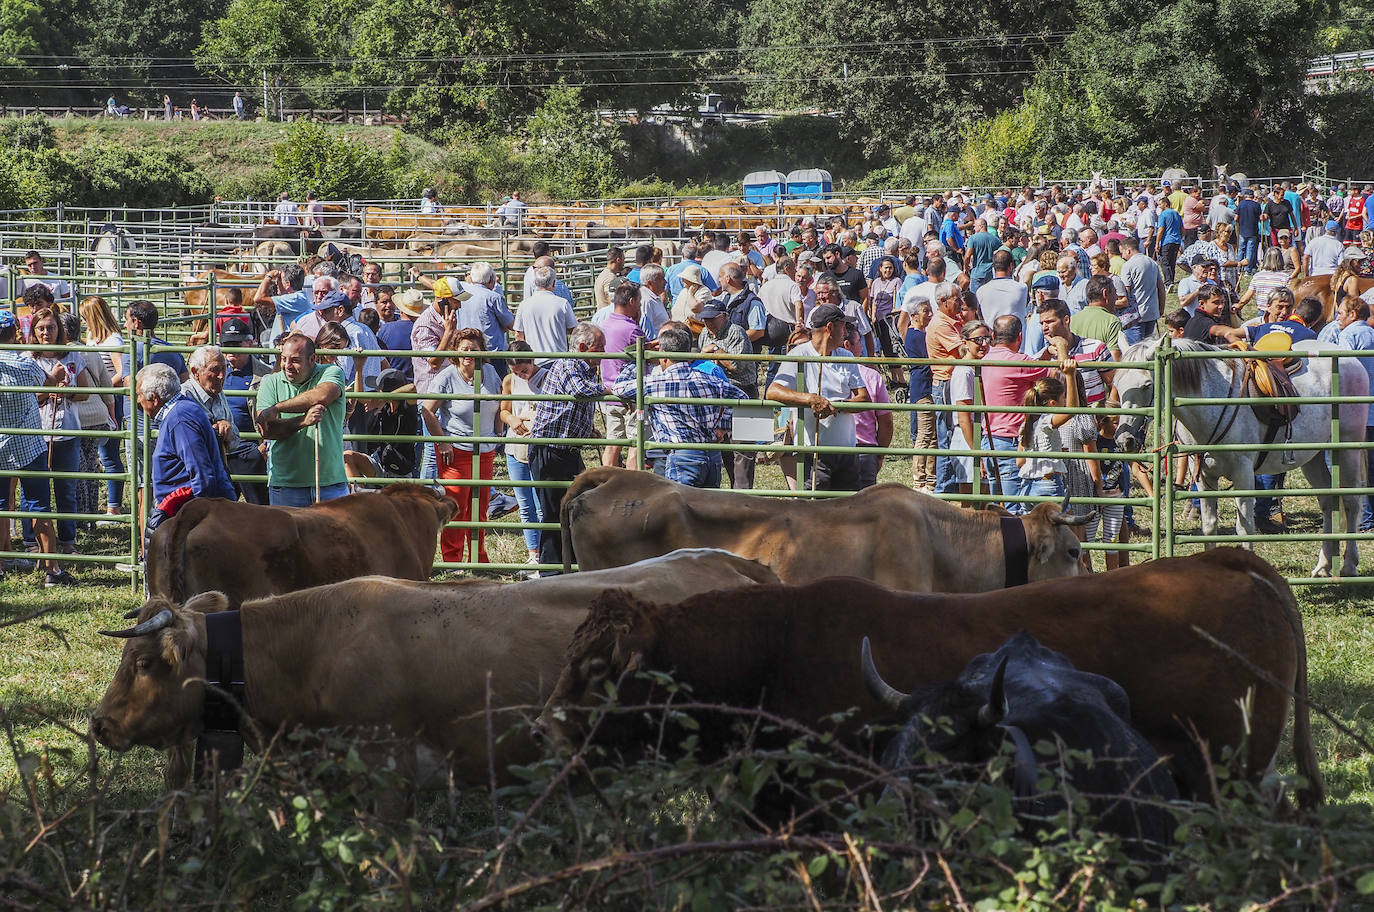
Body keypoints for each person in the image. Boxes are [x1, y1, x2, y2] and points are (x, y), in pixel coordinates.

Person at [611, 323, 748, 488]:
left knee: (679, 508)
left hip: (682, 457)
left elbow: (619, 387)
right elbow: (742, 397)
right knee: (707, 508)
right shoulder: (709, 379)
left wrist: (640, 357)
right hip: (711, 455)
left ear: (664, 356)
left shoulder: (656, 383)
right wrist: (722, 427)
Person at [527, 323, 607, 572]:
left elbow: (572, 407)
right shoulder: (569, 364)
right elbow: (578, 392)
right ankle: (551, 571)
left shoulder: (583, 368)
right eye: (600, 348)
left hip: (566, 449)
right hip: (549, 449)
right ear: (583, 347)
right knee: (554, 511)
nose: (604, 354)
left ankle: (570, 564)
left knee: (574, 505)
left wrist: (586, 430)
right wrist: (610, 389)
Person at [765, 303, 870, 491]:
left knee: (849, 508)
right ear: (830, 328)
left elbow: (864, 399)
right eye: (843, 326)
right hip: (813, 450)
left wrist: (836, 406)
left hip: (846, 449)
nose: (846, 332)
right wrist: (810, 399)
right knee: (814, 509)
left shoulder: (846, 357)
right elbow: (773, 391)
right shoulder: (799, 355)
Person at [421, 328, 502, 565]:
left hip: (485, 450)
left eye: (474, 349)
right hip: (456, 450)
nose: (469, 354)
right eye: (464, 349)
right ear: (456, 352)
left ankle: (479, 557)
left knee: (480, 507)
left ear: (481, 351)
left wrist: (498, 433)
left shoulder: (489, 372)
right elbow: (427, 410)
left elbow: (497, 401)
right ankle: (453, 560)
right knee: (456, 508)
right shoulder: (447, 377)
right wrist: (443, 442)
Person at [254, 333, 347, 505]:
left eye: (295, 360)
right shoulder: (270, 382)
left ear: (312, 359)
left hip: (330, 484)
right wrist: (303, 421)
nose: (287, 366)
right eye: (283, 359)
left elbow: (321, 395)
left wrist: (277, 408)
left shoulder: (331, 372)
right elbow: (267, 430)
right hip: (285, 485)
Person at [183, 344, 269, 505]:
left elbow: (235, 440)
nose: (222, 375)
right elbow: (191, 443)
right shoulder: (185, 397)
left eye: (224, 368)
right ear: (196, 372)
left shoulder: (217, 392)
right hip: (191, 480)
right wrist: (214, 431)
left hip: (217, 471)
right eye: (215, 370)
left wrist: (227, 432)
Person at [697, 299, 758, 489]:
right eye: (705, 319)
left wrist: (715, 351)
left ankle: (743, 494)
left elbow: (737, 366)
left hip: (742, 392)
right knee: (724, 447)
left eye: (712, 319)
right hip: (717, 395)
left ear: (724, 316)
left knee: (743, 447)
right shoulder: (704, 334)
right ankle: (734, 489)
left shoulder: (736, 332)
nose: (708, 323)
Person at [498, 342, 546, 572]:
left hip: (539, 445)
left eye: (524, 371)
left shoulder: (546, 378)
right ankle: (533, 553)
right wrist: (512, 420)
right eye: (516, 372)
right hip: (515, 446)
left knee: (540, 502)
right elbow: (504, 410)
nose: (521, 376)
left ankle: (546, 552)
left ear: (532, 362)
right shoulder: (510, 381)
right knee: (525, 502)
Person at [598, 280, 646, 471]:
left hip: (610, 393)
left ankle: (605, 483)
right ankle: (635, 489)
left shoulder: (603, 324)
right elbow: (646, 357)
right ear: (632, 301)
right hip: (631, 395)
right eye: (639, 302)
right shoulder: (632, 329)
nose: (640, 306)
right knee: (636, 444)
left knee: (613, 442)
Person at [842, 323, 893, 489]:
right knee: (865, 507)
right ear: (847, 345)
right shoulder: (871, 377)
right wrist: (879, 454)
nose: (862, 347)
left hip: (834, 446)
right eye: (859, 342)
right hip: (865, 450)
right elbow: (886, 422)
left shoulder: (825, 369)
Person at [948, 320, 992, 502]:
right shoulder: (964, 371)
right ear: (965, 342)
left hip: (978, 436)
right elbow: (964, 416)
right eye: (978, 340)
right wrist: (977, 452)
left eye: (987, 339)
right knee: (971, 499)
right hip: (968, 438)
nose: (983, 344)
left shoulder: (979, 366)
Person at [514, 265, 579, 365]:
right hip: (558, 361)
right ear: (553, 283)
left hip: (535, 362)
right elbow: (573, 330)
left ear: (536, 282)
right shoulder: (562, 303)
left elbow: (518, 335)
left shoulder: (524, 305)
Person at [1118, 237, 1164, 343]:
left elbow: (1126, 290)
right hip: (1152, 312)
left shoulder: (1127, 266)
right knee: (1148, 346)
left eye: (1122, 253)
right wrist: (1161, 308)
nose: (1122, 256)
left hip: (1135, 315)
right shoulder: (1152, 263)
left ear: (1128, 250)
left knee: (1136, 350)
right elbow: (1161, 288)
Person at [253, 264, 311, 332]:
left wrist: (268, 276)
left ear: (287, 284)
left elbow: (258, 298)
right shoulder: (299, 298)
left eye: (279, 279)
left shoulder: (294, 299)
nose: (276, 283)